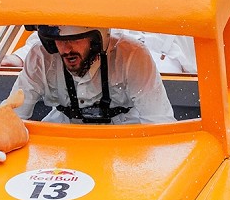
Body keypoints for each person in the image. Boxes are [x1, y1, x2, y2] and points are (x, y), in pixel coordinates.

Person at [11, 25, 174, 125]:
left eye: (74, 39)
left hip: (124, 133)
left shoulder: (133, 55)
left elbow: (158, 122)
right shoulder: (40, 57)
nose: (66, 49)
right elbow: (11, 117)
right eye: (59, 40)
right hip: (65, 131)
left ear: (97, 40)